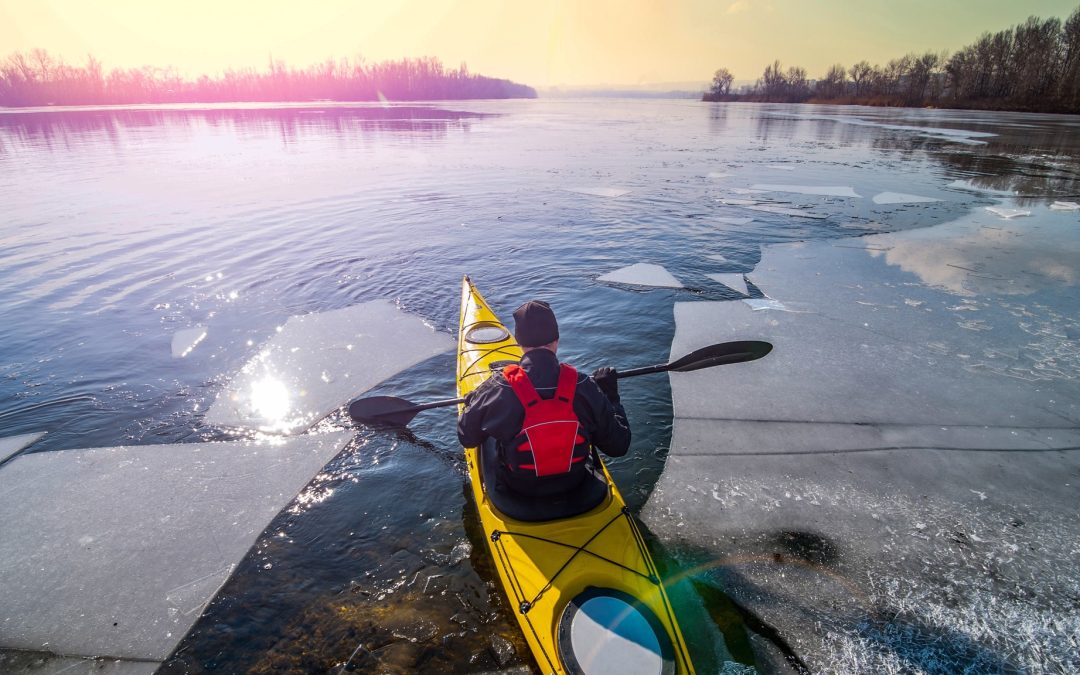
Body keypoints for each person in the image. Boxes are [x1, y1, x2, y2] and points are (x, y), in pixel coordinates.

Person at [457, 299, 630, 498]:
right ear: (557, 339)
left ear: (519, 342)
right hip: (575, 483)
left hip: (518, 489)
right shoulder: (583, 385)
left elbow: (467, 438)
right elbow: (619, 446)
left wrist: (472, 402)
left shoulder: (499, 386)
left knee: (489, 432)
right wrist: (610, 396)